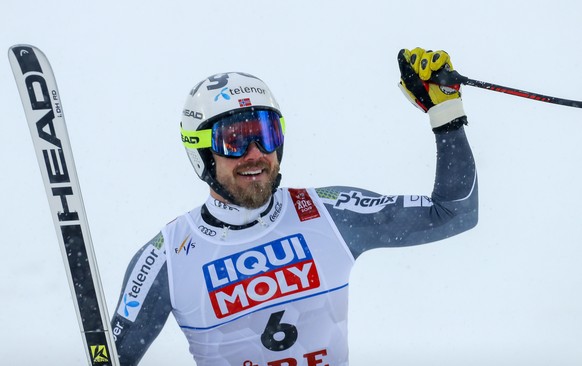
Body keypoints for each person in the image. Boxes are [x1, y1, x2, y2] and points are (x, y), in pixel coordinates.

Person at [111, 47, 478, 366]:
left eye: (266, 133)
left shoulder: (328, 213)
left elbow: (454, 212)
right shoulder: (167, 259)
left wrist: (445, 113)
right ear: (202, 153)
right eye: (234, 140)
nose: (254, 154)